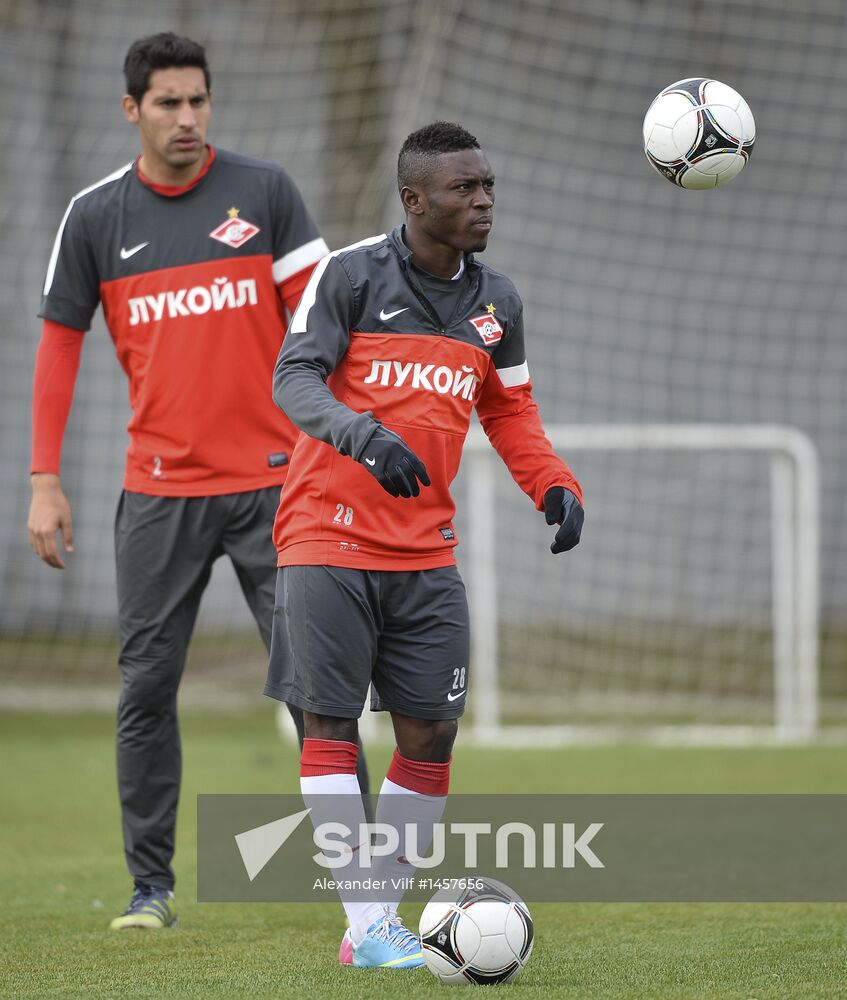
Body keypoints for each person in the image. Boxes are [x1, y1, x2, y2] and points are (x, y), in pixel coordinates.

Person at [27, 31, 371, 930]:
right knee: (145, 688)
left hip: (277, 492)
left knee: (317, 691)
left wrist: (346, 438)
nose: (187, 117)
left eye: (198, 100)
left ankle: (364, 893)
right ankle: (151, 891)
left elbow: (330, 319)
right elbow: (59, 347)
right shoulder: (95, 217)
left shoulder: (265, 195)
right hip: (158, 495)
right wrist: (42, 479)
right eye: (168, 102)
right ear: (132, 109)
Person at [266, 121, 584, 968]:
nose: (481, 201)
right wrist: (361, 436)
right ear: (414, 200)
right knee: (328, 725)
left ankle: (372, 922)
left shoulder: (496, 303)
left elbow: (509, 411)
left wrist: (554, 484)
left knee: (430, 736)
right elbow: (293, 377)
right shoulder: (350, 276)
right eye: (461, 189)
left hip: (424, 553)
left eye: (486, 187)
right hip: (324, 537)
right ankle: (371, 926)